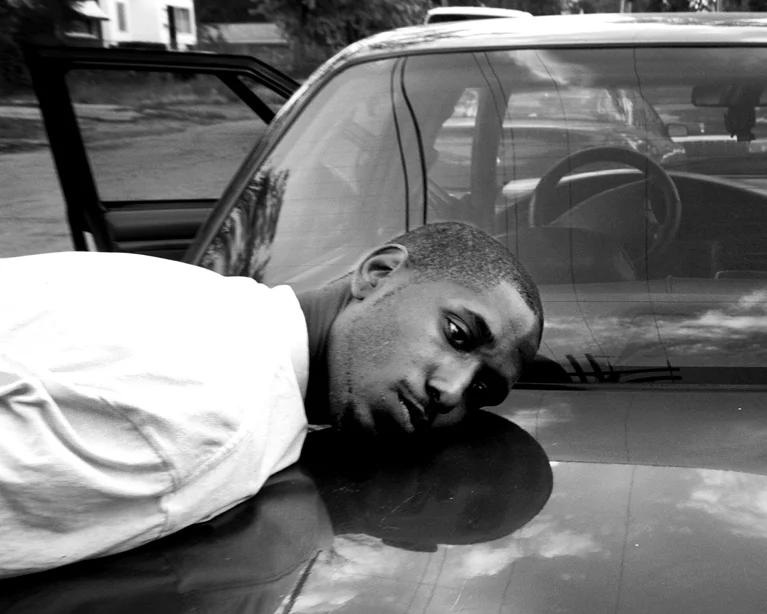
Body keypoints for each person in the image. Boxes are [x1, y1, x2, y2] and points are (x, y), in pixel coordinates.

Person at [0, 221, 543, 578]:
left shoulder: (192, 291)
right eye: (456, 333)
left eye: (480, 391)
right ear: (377, 274)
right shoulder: (215, 416)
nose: (449, 391)